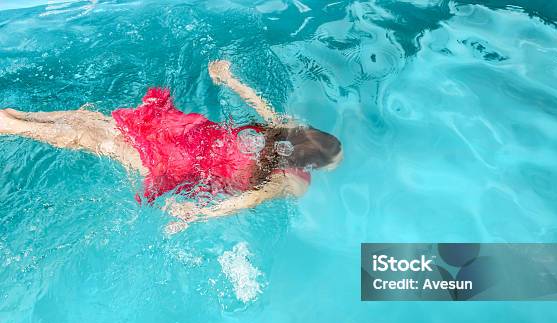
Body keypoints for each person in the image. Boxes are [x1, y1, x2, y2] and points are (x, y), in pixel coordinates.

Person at [0, 60, 342, 231]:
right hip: (179, 160)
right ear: (308, 163)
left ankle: (16, 117)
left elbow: (262, 109)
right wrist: (199, 215)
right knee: (96, 138)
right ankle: (10, 123)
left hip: (189, 134)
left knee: (99, 123)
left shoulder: (282, 131)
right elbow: (247, 200)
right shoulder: (289, 181)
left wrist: (230, 80)